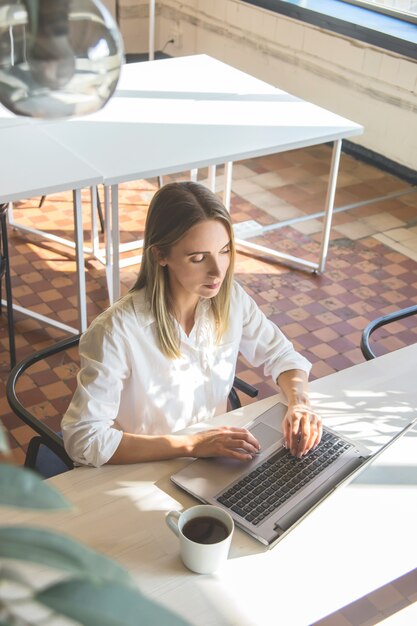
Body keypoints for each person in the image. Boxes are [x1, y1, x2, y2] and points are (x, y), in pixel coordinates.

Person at [62, 181, 322, 467]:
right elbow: (83, 439)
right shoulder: (116, 332)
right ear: (160, 255)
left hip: (210, 458)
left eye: (224, 251)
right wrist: (192, 444)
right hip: (141, 467)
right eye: (198, 258)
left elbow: (282, 355)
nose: (218, 271)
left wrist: (299, 402)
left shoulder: (231, 298)